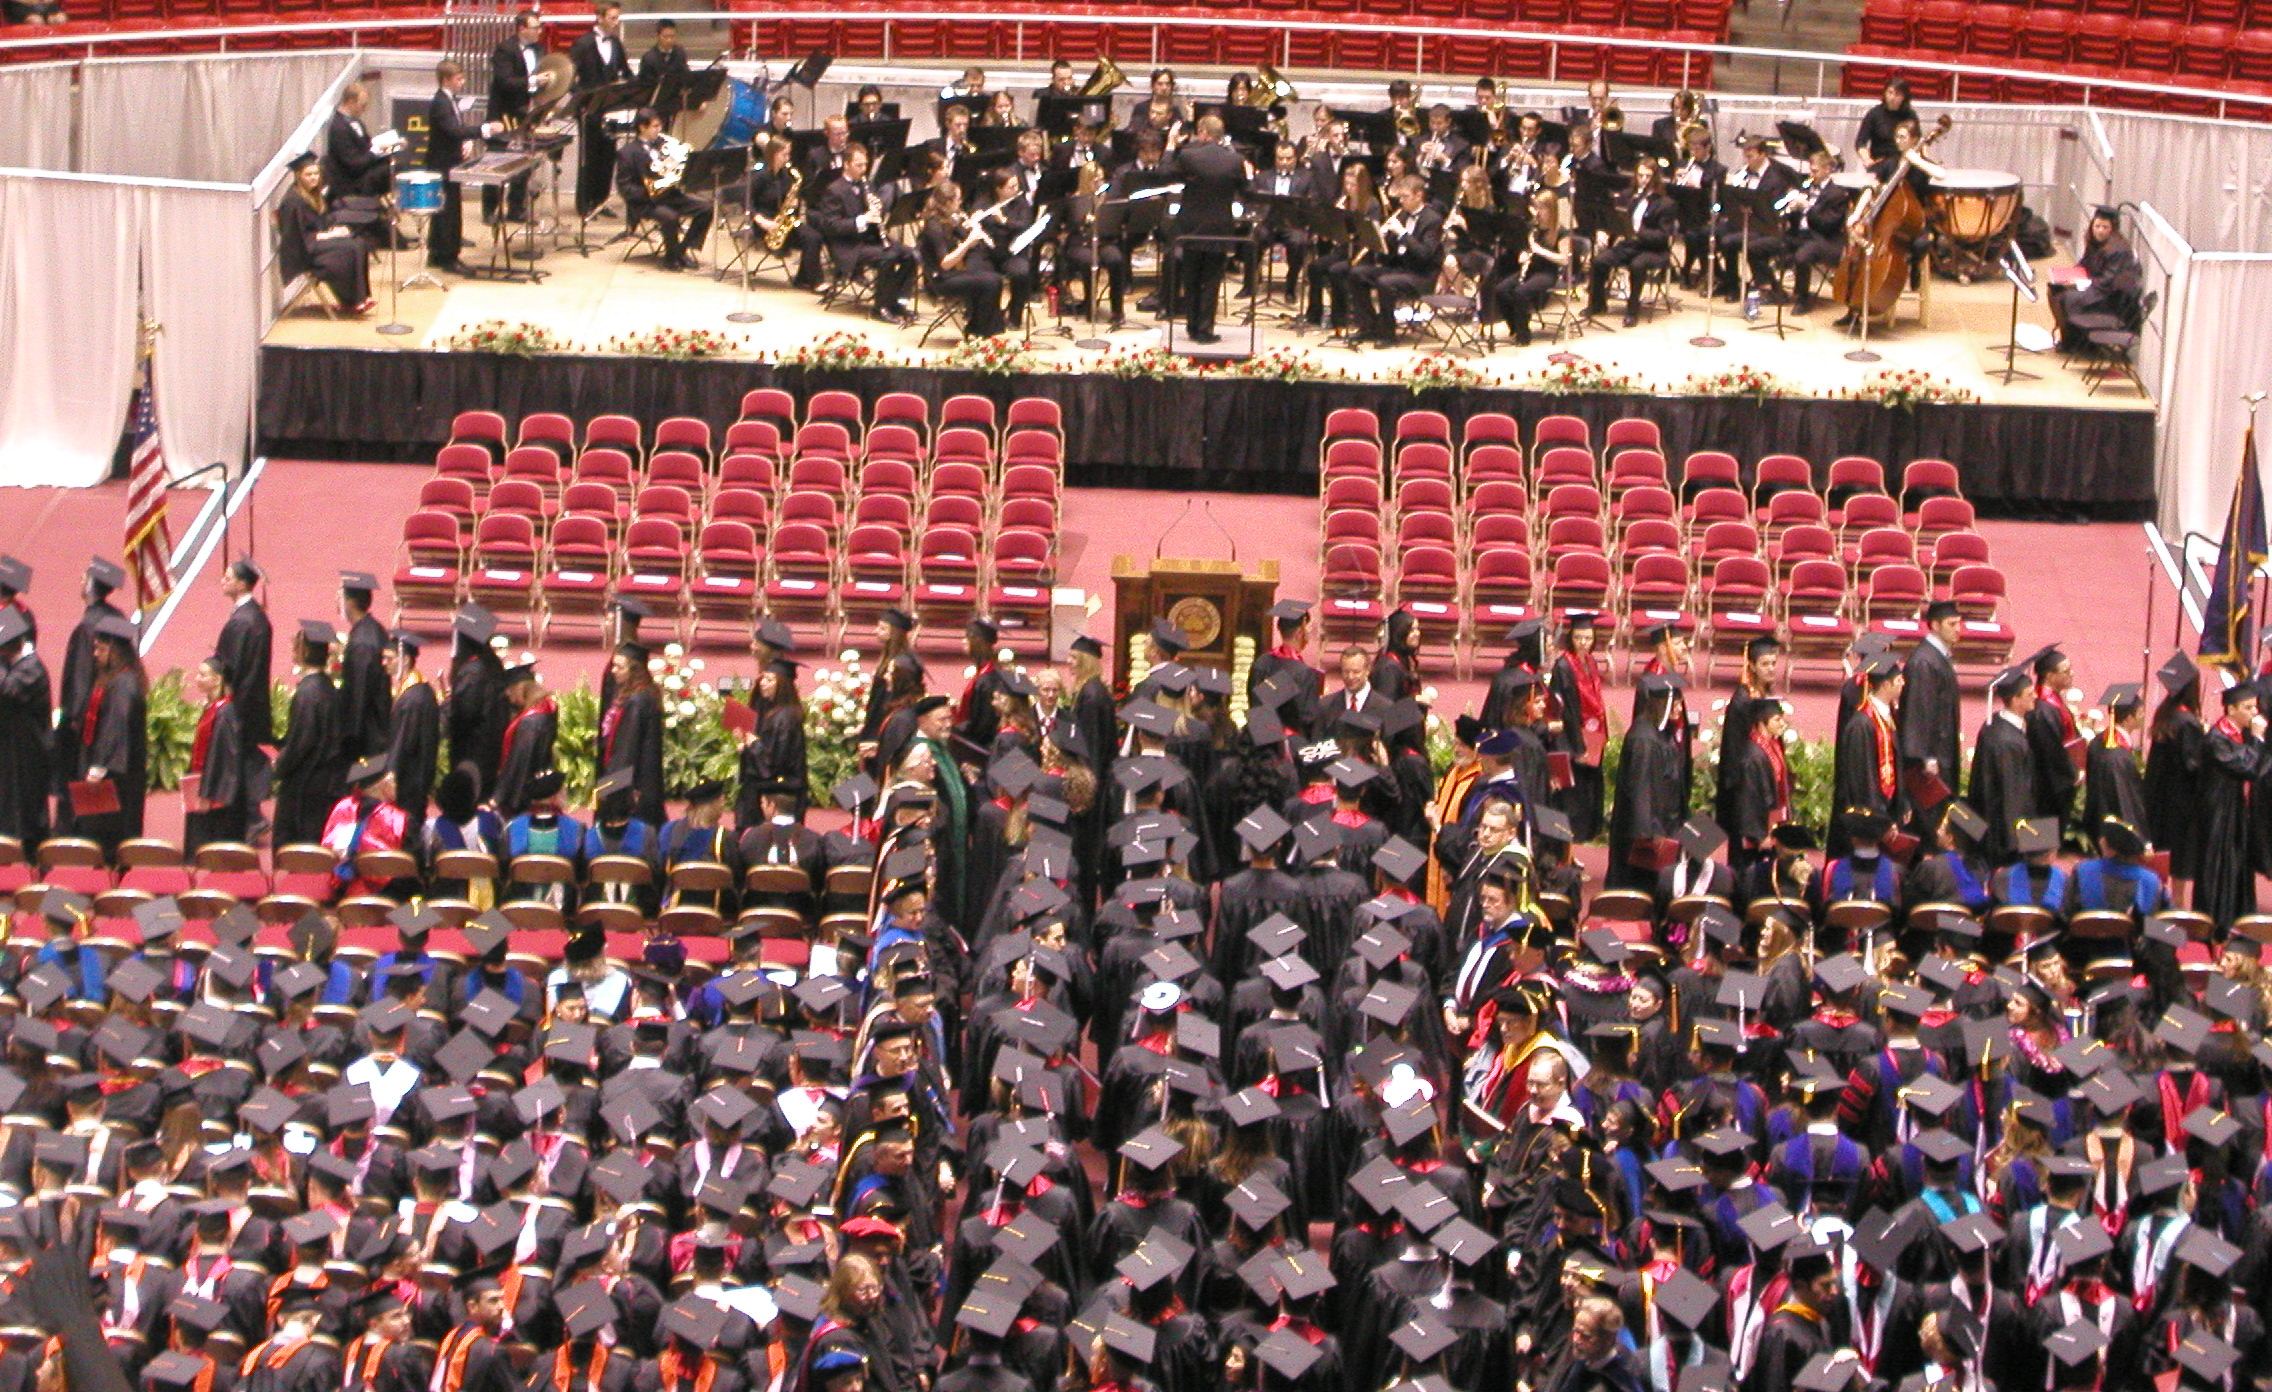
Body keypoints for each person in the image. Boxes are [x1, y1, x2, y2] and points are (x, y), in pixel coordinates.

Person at [811, 142, 917, 324]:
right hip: (848, 246)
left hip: (870, 240)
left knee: (912, 254)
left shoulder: (865, 184)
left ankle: (897, 302)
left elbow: (875, 213)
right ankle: (881, 306)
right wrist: (863, 220)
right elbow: (832, 226)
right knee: (889, 257)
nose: (863, 169)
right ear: (847, 164)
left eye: (865, 165)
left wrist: (878, 211)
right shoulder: (834, 190)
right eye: (859, 165)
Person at [1165, 115, 1246, 344]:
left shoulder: (1189, 156)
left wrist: (1171, 146)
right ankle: (1205, 330)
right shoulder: (1235, 160)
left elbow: (1164, 174)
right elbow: (1246, 190)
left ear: (1202, 132)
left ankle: (1192, 326)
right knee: (1211, 280)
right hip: (1219, 228)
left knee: (1190, 278)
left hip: (1191, 227)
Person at [2196, 682, 2269, 926]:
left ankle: (2239, 914)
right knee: (2219, 866)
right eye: (2248, 708)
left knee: (2237, 864)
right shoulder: (2216, 739)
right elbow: (2248, 766)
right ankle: (2217, 921)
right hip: (2218, 812)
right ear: (2230, 709)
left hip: (2235, 809)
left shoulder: (2236, 733)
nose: (2254, 713)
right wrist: (2258, 739)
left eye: (2255, 708)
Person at [75, 614, 148, 853]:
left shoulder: (123, 685)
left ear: (114, 650)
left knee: (109, 839)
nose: (95, 654)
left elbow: (115, 729)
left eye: (100, 648)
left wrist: (99, 766)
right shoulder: (118, 678)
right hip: (119, 773)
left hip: (118, 779)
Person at [272, 621, 346, 848]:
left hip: (306, 785)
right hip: (327, 779)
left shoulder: (308, 693)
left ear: (303, 651)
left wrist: (279, 765)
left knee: (299, 846)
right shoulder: (328, 687)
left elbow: (301, 743)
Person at [1351, 173, 1444, 348]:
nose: (1401, 201)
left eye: (1405, 197)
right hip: (1400, 268)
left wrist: (1402, 233)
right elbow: (1390, 253)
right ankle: (1369, 326)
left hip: (1421, 276)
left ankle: (1388, 335)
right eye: (1400, 196)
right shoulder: (1401, 215)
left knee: (1385, 282)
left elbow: (1425, 254)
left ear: (1418, 195)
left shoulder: (1433, 220)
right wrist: (1381, 237)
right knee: (1358, 273)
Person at [617, 108, 714, 272]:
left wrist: (680, 167)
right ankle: (670, 258)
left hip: (670, 195)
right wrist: (651, 190)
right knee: (670, 216)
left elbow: (676, 166)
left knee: (706, 209)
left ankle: (681, 250)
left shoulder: (663, 144)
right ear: (642, 127)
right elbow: (625, 187)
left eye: (659, 125)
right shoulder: (627, 153)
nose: (659, 130)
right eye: (655, 126)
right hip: (646, 202)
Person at [1586, 156, 1676, 328]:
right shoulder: (1628, 196)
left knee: (1637, 265)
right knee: (1599, 261)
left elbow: (1663, 236)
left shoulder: (1666, 204)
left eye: (1648, 176)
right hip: (1630, 245)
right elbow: (1614, 217)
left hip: (1654, 250)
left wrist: (1638, 233)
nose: (1643, 180)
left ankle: (1632, 310)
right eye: (1640, 175)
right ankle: (1597, 304)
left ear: (1655, 178)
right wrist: (1604, 231)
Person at [277, 153, 373, 315]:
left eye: (316, 174)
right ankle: (353, 301)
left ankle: (358, 299)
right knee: (349, 249)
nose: (314, 178)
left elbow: (321, 221)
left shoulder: (313, 194)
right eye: (309, 175)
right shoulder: (293, 202)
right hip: (303, 253)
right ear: (299, 176)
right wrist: (329, 236)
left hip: (316, 243)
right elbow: (297, 238)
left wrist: (334, 230)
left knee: (359, 243)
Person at [1967, 663, 2039, 866]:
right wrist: (2015, 843)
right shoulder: (2007, 742)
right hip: (2003, 831)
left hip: (1987, 821)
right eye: (2029, 694)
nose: (2034, 697)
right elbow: (2011, 794)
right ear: (2015, 700)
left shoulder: (1995, 723)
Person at [1899, 600, 1961, 829]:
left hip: (1941, 747)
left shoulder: (1937, 656)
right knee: (1930, 815)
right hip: (1932, 756)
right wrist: (1925, 756)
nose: (1958, 629)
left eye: (1958, 623)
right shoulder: (1924, 662)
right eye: (1952, 624)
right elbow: (1919, 710)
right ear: (1934, 625)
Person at [2050, 206, 2144, 351]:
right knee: (2055, 289)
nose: (2100, 230)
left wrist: (2081, 283)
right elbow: (2084, 265)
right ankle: (2069, 339)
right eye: (2097, 226)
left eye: (2105, 227)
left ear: (2112, 229)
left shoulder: (2119, 250)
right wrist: (2070, 275)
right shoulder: (2094, 243)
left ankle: (2081, 345)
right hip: (2095, 288)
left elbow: (2108, 281)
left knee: (2068, 298)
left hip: (2110, 298)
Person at [570, 2, 633, 219]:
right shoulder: (583, 43)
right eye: (613, 18)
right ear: (600, 17)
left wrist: (632, 87)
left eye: (617, 18)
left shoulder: (615, 43)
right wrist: (581, 99)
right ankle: (584, 203)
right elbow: (569, 75)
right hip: (589, 108)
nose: (616, 23)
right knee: (589, 156)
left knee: (607, 155)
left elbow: (625, 71)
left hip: (610, 108)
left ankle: (601, 200)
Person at [423, 60, 486, 273]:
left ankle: (437, 253)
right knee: (448, 211)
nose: (462, 82)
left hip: (449, 159)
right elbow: (452, 131)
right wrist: (482, 130)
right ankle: (448, 257)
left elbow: (455, 130)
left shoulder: (449, 100)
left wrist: (464, 142)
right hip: (442, 163)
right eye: (459, 79)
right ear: (446, 79)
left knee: (445, 210)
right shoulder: (440, 102)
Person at [183, 655, 252, 851]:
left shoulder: (225, 713)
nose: (197, 678)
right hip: (205, 784)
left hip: (217, 795)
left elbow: (223, 761)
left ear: (218, 680)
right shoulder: (214, 708)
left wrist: (208, 793)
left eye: (203, 675)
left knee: (213, 848)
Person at [0, 607, 49, 846]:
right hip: (14, 752)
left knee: (26, 814)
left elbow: (8, 690)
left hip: (29, 755)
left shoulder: (32, 669)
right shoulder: (19, 665)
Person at [602, 640, 665, 824]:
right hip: (648, 780)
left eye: (619, 667)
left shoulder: (636, 703)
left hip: (635, 786)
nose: (613, 671)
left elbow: (626, 751)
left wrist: (608, 789)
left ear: (634, 670)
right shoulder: (647, 693)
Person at [382, 630, 438, 836]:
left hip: (410, 782)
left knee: (406, 832)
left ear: (404, 659)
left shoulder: (413, 700)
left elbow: (402, 743)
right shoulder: (418, 689)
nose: (384, 663)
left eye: (389, 658)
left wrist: (391, 774)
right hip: (417, 779)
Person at [1785, 147, 1851, 314]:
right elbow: (1796, 219)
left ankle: (1802, 297)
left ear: (1828, 169)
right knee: (1772, 242)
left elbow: (1827, 225)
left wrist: (1807, 208)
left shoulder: (1838, 194)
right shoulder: (1806, 186)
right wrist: (1792, 209)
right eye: (1810, 169)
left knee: (1803, 255)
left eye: (1815, 170)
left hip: (1825, 240)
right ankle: (1771, 288)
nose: (1811, 173)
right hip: (1804, 235)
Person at [322, 84, 395, 203]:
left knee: (390, 163)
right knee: (385, 171)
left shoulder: (356, 122)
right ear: (351, 101)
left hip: (361, 171)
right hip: (349, 181)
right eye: (362, 105)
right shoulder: (338, 128)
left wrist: (390, 147)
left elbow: (368, 145)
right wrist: (374, 152)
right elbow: (353, 164)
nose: (365, 109)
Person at [1855, 77, 1920, 164]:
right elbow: (1860, 142)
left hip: (1904, 162)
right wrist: (1867, 160)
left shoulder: (1910, 115)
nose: (1892, 97)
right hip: (1880, 162)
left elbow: (1917, 141)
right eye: (1890, 93)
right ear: (1885, 93)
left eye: (1897, 94)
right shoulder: (1874, 114)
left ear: (1904, 97)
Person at [639, 21, 694, 119]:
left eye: (672, 36)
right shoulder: (649, 58)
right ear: (658, 36)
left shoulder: (680, 53)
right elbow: (644, 86)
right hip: (656, 107)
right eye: (665, 36)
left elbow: (686, 76)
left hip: (676, 103)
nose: (669, 40)